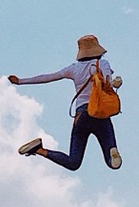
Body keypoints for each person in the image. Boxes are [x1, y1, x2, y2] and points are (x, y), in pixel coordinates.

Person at [9, 34, 123, 171]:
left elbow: (48, 77)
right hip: (100, 115)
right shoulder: (103, 64)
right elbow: (109, 85)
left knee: (73, 162)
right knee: (111, 162)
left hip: (81, 116)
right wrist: (117, 83)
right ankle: (112, 154)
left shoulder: (73, 69)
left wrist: (21, 81)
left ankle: (40, 150)